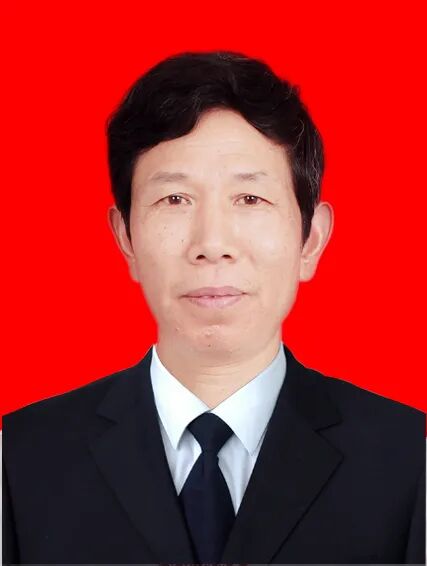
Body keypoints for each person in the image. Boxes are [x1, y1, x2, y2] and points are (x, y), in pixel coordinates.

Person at [2, 51, 425, 565]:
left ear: (311, 240)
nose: (212, 244)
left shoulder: (409, 457)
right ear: (125, 238)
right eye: (174, 199)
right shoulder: (21, 458)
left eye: (249, 199)